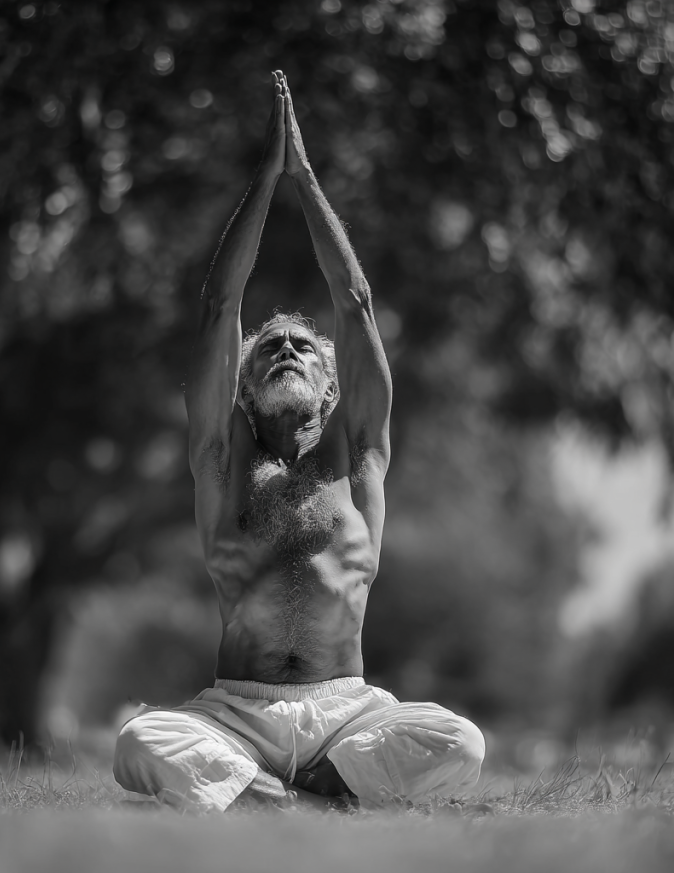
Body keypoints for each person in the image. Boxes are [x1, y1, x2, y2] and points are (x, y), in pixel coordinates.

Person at [114, 71, 484, 812]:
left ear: (331, 387)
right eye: (268, 348)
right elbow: (221, 303)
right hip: (234, 711)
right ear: (243, 390)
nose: (285, 348)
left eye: (302, 348)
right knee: (139, 740)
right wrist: (265, 176)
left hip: (349, 710)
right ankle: (293, 797)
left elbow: (353, 302)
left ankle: (282, 793)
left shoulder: (359, 455)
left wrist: (305, 175)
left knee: (460, 742)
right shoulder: (222, 458)